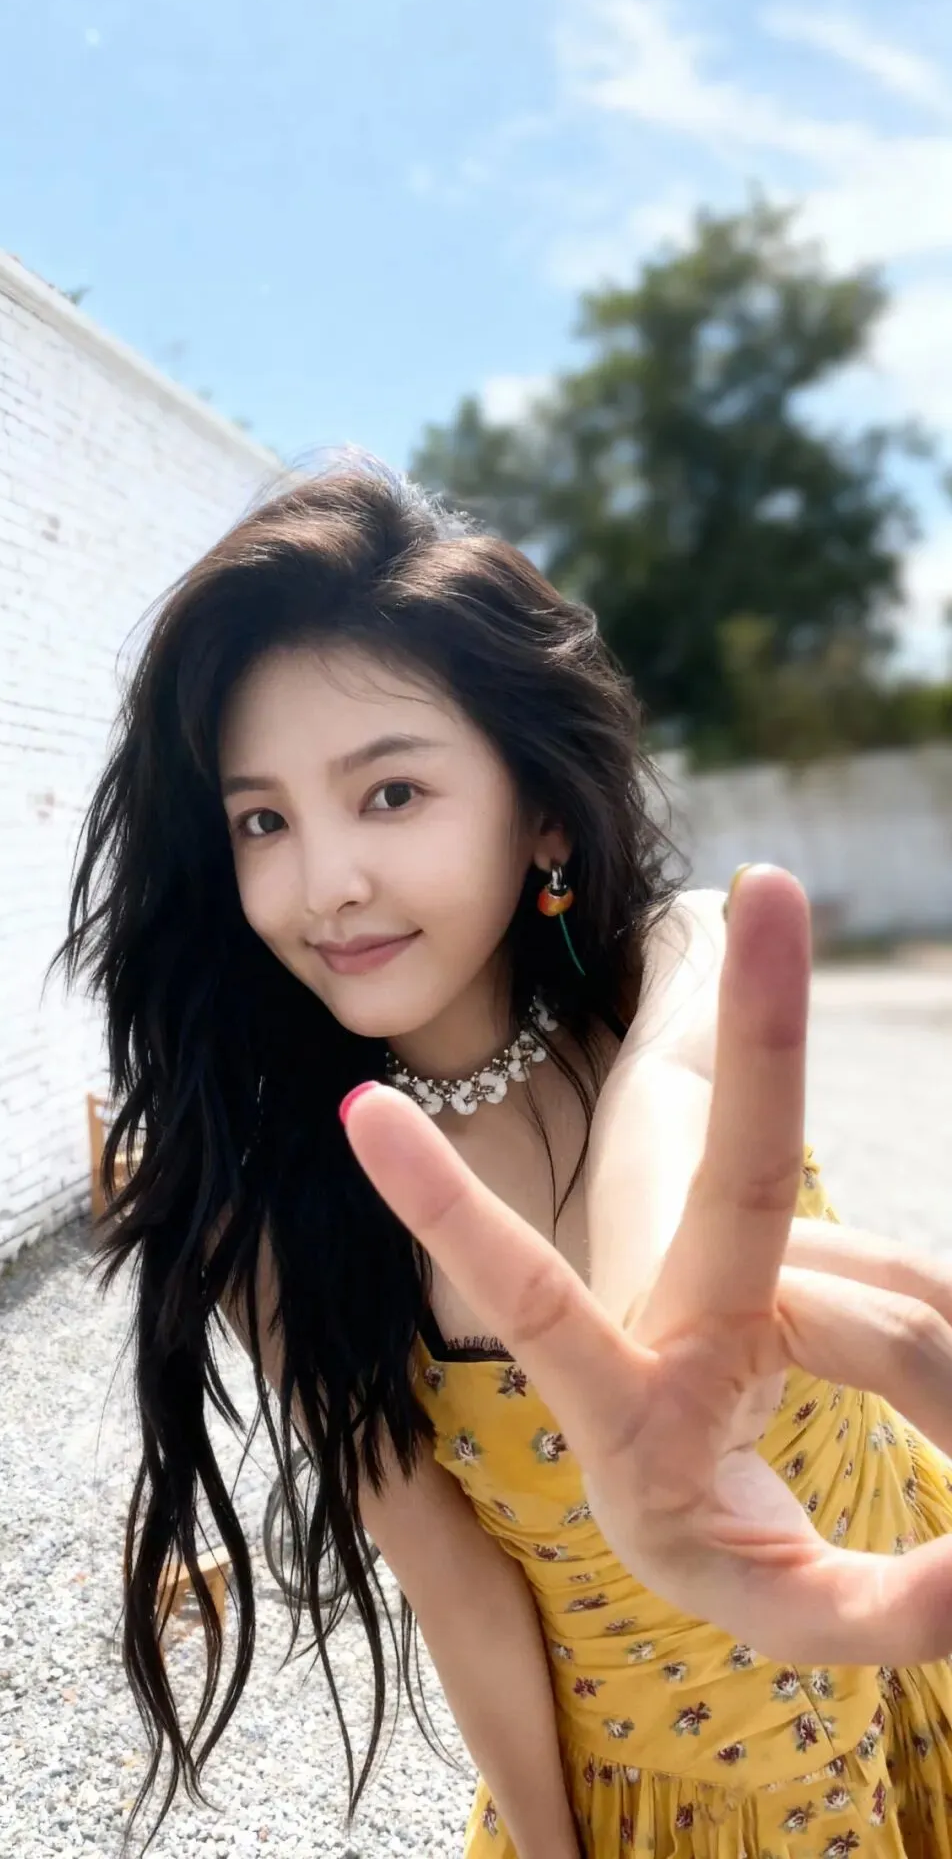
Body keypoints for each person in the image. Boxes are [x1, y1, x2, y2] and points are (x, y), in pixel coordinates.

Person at [53, 458, 952, 1859]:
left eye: (391, 792)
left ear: (540, 810)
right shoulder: (280, 1219)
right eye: (262, 820)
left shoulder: (674, 964)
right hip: (674, 1805)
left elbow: (666, 1095)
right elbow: (456, 1585)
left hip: (919, 1654)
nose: (326, 882)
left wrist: (659, 1324)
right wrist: (546, 1845)